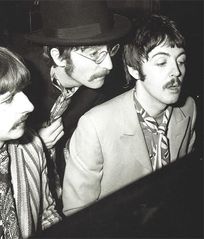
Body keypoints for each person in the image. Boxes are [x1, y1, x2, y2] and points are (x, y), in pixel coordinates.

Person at [62, 14, 197, 216]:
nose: (176, 72)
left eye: (182, 61)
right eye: (162, 63)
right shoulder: (95, 126)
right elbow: (76, 213)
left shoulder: (188, 109)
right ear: (134, 69)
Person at [24, 0, 131, 200]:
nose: (108, 65)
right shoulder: (18, 84)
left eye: (110, 50)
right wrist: (31, 145)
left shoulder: (100, 89)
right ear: (59, 58)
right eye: (95, 54)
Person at [0, 41, 61, 238]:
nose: (29, 106)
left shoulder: (30, 145)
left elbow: (46, 214)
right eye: (8, 100)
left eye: (22, 91)